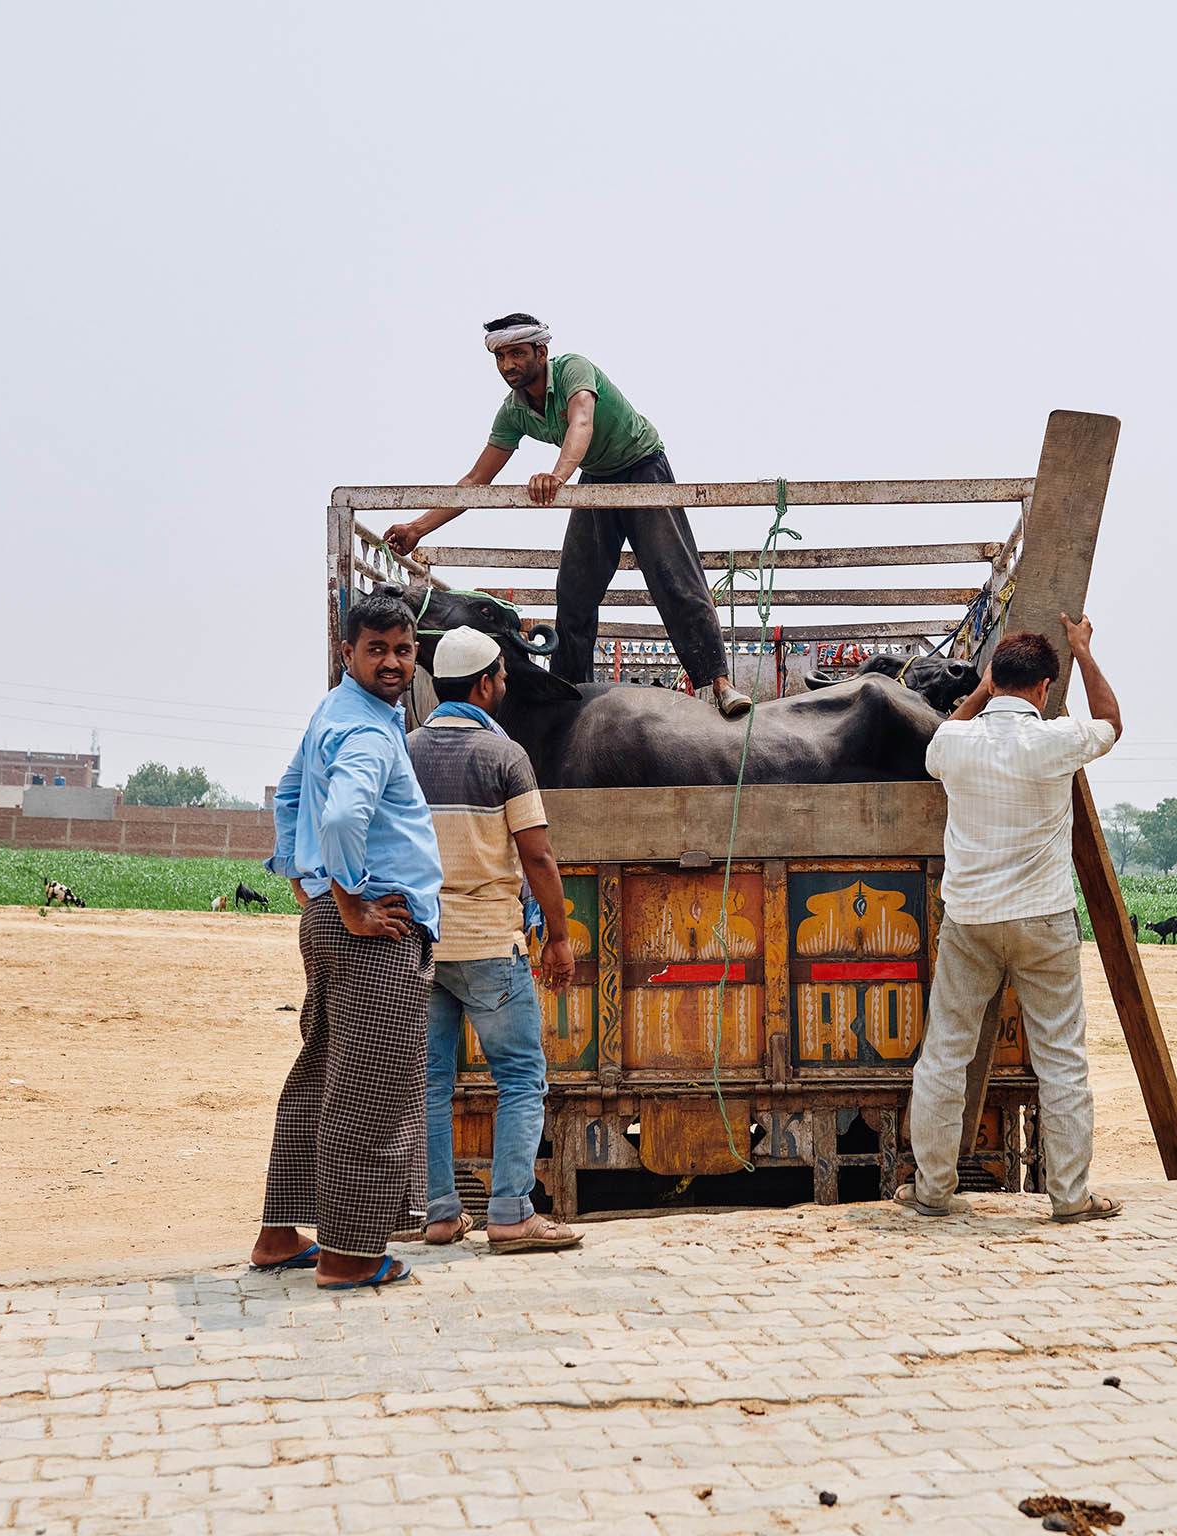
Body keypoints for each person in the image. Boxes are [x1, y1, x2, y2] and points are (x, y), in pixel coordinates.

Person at [381, 314, 752, 719]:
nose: (508, 365)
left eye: (517, 354)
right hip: (596, 478)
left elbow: (581, 422)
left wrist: (557, 476)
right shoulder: (514, 411)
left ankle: (720, 683)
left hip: (642, 467)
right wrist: (417, 528)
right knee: (574, 589)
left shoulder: (574, 368)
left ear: (541, 352)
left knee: (675, 578)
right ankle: (569, 697)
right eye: (501, 357)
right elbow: (475, 480)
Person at [897, 616, 1124, 1222]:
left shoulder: (954, 743)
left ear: (996, 681)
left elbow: (946, 734)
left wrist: (981, 688)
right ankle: (1071, 1198)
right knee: (1062, 1058)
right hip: (1043, 921)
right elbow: (1112, 724)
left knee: (945, 1053)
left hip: (969, 921)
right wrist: (1084, 652)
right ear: (1045, 688)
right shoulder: (1054, 740)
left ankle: (933, 1191)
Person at [250, 594, 444, 1289]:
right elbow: (339, 816)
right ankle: (350, 1257)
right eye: (376, 649)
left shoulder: (335, 714)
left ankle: (280, 1234)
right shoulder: (364, 730)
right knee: (374, 1090)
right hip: (375, 927)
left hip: (331, 924)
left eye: (403, 648)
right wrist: (352, 899)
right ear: (348, 654)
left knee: (322, 1076)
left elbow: (291, 794)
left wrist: (299, 876)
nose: (392, 662)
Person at [405, 626, 584, 1255]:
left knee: (430, 1083)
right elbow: (537, 856)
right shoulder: (505, 757)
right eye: (503, 676)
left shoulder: (407, 750)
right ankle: (510, 1212)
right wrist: (558, 939)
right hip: (488, 943)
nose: (505, 686)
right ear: (484, 683)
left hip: (423, 943)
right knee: (519, 1073)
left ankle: (439, 1213)